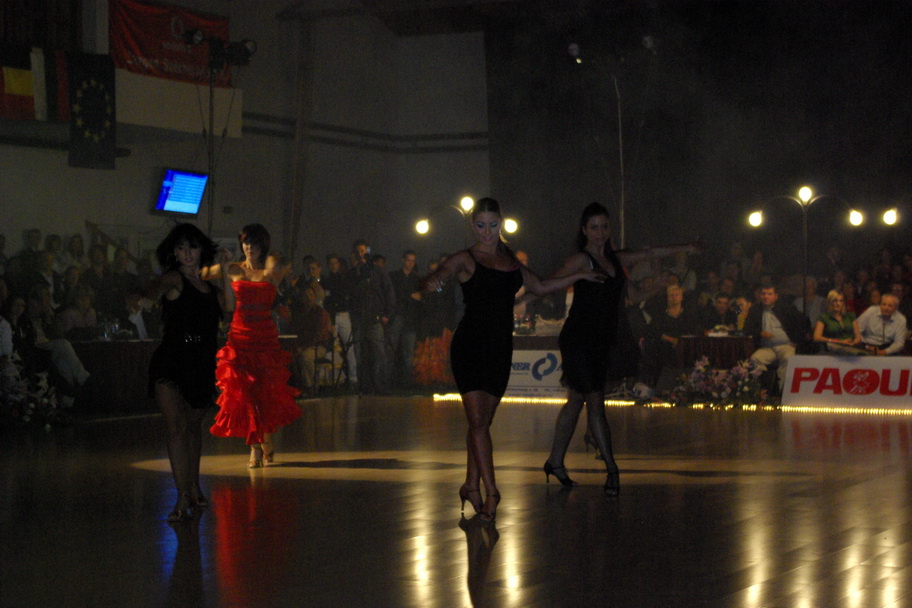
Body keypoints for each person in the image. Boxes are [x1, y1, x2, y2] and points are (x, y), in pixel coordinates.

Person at [422, 197, 605, 521]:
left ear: (501, 224)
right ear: (473, 225)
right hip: (469, 346)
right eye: (481, 225)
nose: (487, 231)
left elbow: (542, 286)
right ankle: (492, 493)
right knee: (478, 423)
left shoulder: (511, 262)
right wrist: (432, 280)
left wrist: (579, 276)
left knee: (482, 423)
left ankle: (470, 484)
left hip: (499, 349)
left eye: (493, 225)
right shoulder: (465, 258)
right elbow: (439, 274)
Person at [542, 202, 637, 497]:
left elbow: (648, 253)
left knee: (575, 401)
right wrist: (579, 276)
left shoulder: (613, 258)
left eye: (604, 226)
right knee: (595, 402)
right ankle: (612, 469)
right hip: (579, 340)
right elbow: (548, 283)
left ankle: (554, 461)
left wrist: (686, 248)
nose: (600, 232)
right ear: (584, 230)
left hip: (601, 340)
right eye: (594, 227)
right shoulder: (581, 259)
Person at [147, 223, 233, 522]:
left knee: (193, 428)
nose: (186, 253)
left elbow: (230, 308)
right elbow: (157, 286)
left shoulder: (211, 289)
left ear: (201, 251)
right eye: (181, 247)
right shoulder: (174, 277)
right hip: (171, 359)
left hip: (201, 362)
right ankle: (182, 495)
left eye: (191, 247)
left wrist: (225, 269)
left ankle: (193, 486)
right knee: (175, 427)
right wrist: (144, 293)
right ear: (174, 252)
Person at [209, 224, 302, 467]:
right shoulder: (234, 269)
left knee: (264, 392)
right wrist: (221, 264)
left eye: (255, 243)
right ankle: (255, 448)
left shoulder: (271, 273)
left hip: (264, 338)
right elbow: (226, 301)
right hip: (240, 337)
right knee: (244, 393)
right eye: (246, 242)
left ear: (263, 247)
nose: (250, 247)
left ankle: (266, 440)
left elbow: (288, 265)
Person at [744, 284, 808, 392]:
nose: (766, 296)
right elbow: (747, 329)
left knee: (788, 358)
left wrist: (796, 341)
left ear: (776, 296)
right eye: (763, 294)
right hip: (766, 348)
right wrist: (760, 333)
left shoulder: (785, 308)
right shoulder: (755, 310)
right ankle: (764, 389)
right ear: (760, 296)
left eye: (769, 294)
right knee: (755, 359)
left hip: (785, 346)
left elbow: (802, 323)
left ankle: (782, 391)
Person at [813, 289, 863, 354]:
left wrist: (853, 342)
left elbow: (858, 337)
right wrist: (839, 342)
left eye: (841, 301)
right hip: (832, 348)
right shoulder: (824, 317)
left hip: (851, 347)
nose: (838, 304)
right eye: (835, 301)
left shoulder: (850, 316)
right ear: (830, 302)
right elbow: (816, 337)